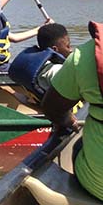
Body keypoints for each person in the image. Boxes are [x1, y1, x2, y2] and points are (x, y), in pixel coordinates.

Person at [40, 20, 103, 201]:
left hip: (99, 186)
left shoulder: (83, 56)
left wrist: (68, 121)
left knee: (78, 145)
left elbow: (52, 108)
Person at [8, 23, 72, 101]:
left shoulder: (40, 67)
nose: (71, 50)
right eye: (68, 46)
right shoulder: (57, 70)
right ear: (55, 49)